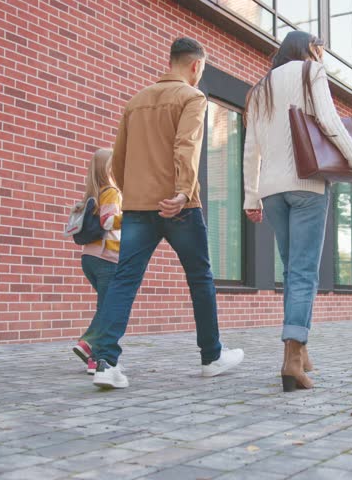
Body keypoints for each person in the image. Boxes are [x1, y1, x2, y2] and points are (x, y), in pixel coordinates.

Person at [88, 37, 244, 389]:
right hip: (179, 206)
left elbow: (120, 157)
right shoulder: (193, 97)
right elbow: (186, 145)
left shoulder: (136, 101)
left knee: (124, 281)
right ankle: (211, 357)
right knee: (200, 279)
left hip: (139, 206)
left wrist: (133, 194)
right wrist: (182, 191)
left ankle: (106, 363)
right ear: (195, 66)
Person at [242, 31, 352, 392]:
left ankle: (301, 352)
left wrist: (250, 196)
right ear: (307, 49)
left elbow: (250, 147)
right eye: (319, 48)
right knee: (303, 273)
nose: (322, 54)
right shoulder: (310, 72)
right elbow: (331, 124)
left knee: (292, 272)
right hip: (306, 187)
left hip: (272, 193)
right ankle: (291, 359)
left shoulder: (259, 89)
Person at [72, 148, 122, 375]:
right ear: (110, 167)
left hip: (89, 258)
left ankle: (93, 356)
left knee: (105, 307)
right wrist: (131, 215)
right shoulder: (110, 191)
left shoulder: (92, 193)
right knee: (110, 309)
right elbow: (109, 221)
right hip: (107, 257)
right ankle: (90, 348)